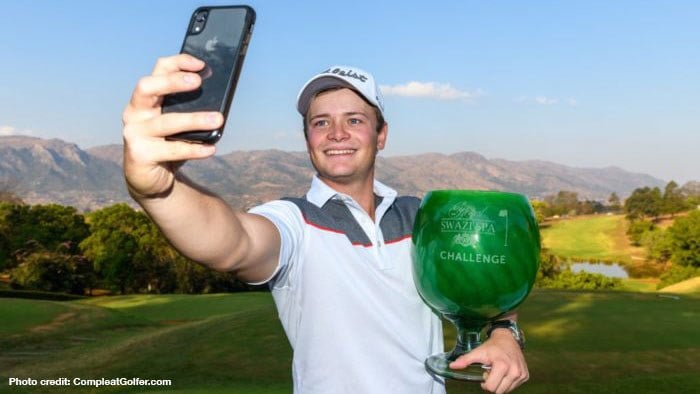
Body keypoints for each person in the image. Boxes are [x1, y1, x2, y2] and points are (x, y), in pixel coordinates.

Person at [122, 54, 529, 394]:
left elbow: (485, 277)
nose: (336, 134)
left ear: (381, 134)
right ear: (307, 139)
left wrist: (505, 331)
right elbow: (232, 243)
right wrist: (159, 190)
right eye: (321, 122)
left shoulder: (421, 217)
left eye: (354, 120)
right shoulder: (294, 221)